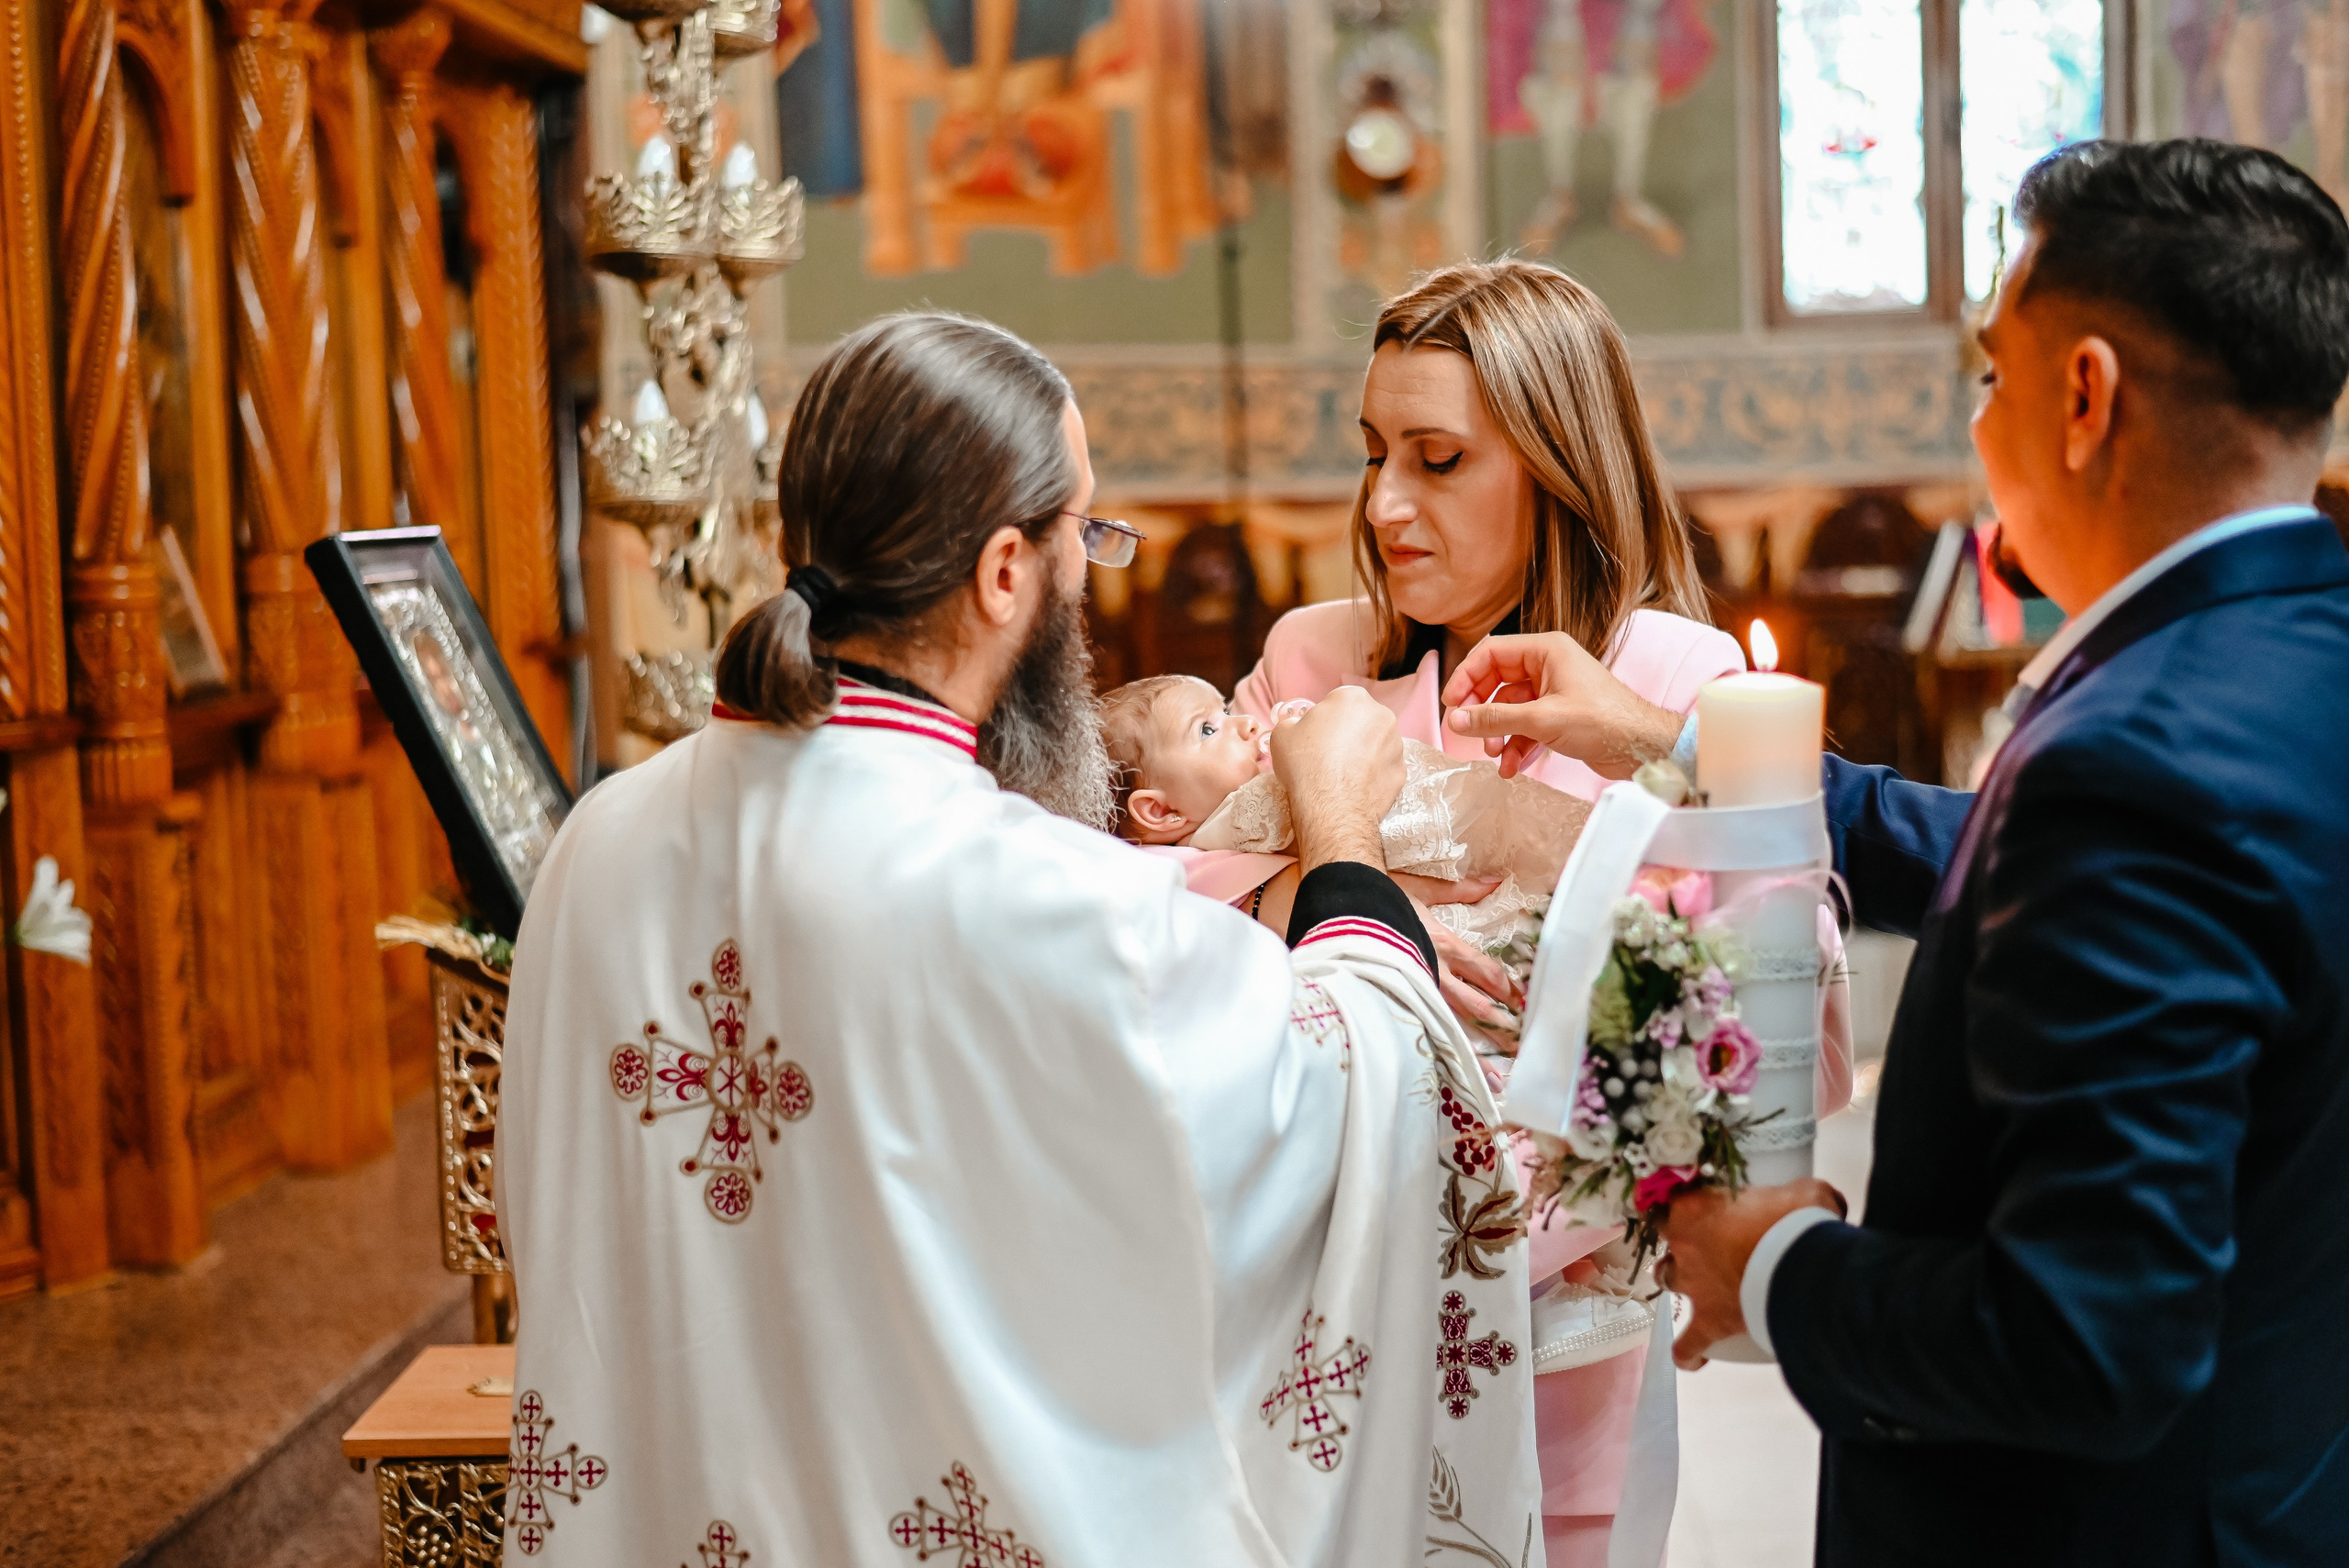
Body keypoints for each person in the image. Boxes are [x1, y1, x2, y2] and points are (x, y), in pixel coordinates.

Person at [495, 313, 1544, 1567]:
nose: (1086, 579)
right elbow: (1355, 1097)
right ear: (1005, 572)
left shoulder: (597, 843)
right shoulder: (1051, 901)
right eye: (1082, 535)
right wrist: (1340, 826)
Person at [1442, 139, 2349, 1565]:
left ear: (2086, 396)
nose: (1978, 425)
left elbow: (2088, 1339)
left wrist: (1777, 1263)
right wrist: (1671, 743)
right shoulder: (2298, 662)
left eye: (1991, 375)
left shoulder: (2131, 762)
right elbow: (2017, 853)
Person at [1187, 257, 1848, 1567]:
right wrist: (1351, 910)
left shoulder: (1673, 676)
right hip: (1324, 1318)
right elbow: (1173, 907)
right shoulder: (1310, 658)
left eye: (1437, 459)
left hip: (1564, 1320)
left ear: (1555, 465)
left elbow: (1776, 1007)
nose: (1384, 501)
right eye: (1374, 452)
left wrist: (1557, 830)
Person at [1100, 673, 1588, 965]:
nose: (1246, 722)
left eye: (1226, 710)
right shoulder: (1182, 874)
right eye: (1208, 729)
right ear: (1162, 811)